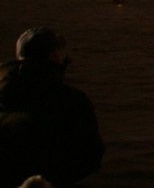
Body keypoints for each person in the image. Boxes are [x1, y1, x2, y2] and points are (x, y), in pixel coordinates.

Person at [0, 28, 104, 188]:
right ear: (52, 57)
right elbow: (90, 157)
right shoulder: (71, 100)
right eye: (56, 51)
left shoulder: (5, 94)